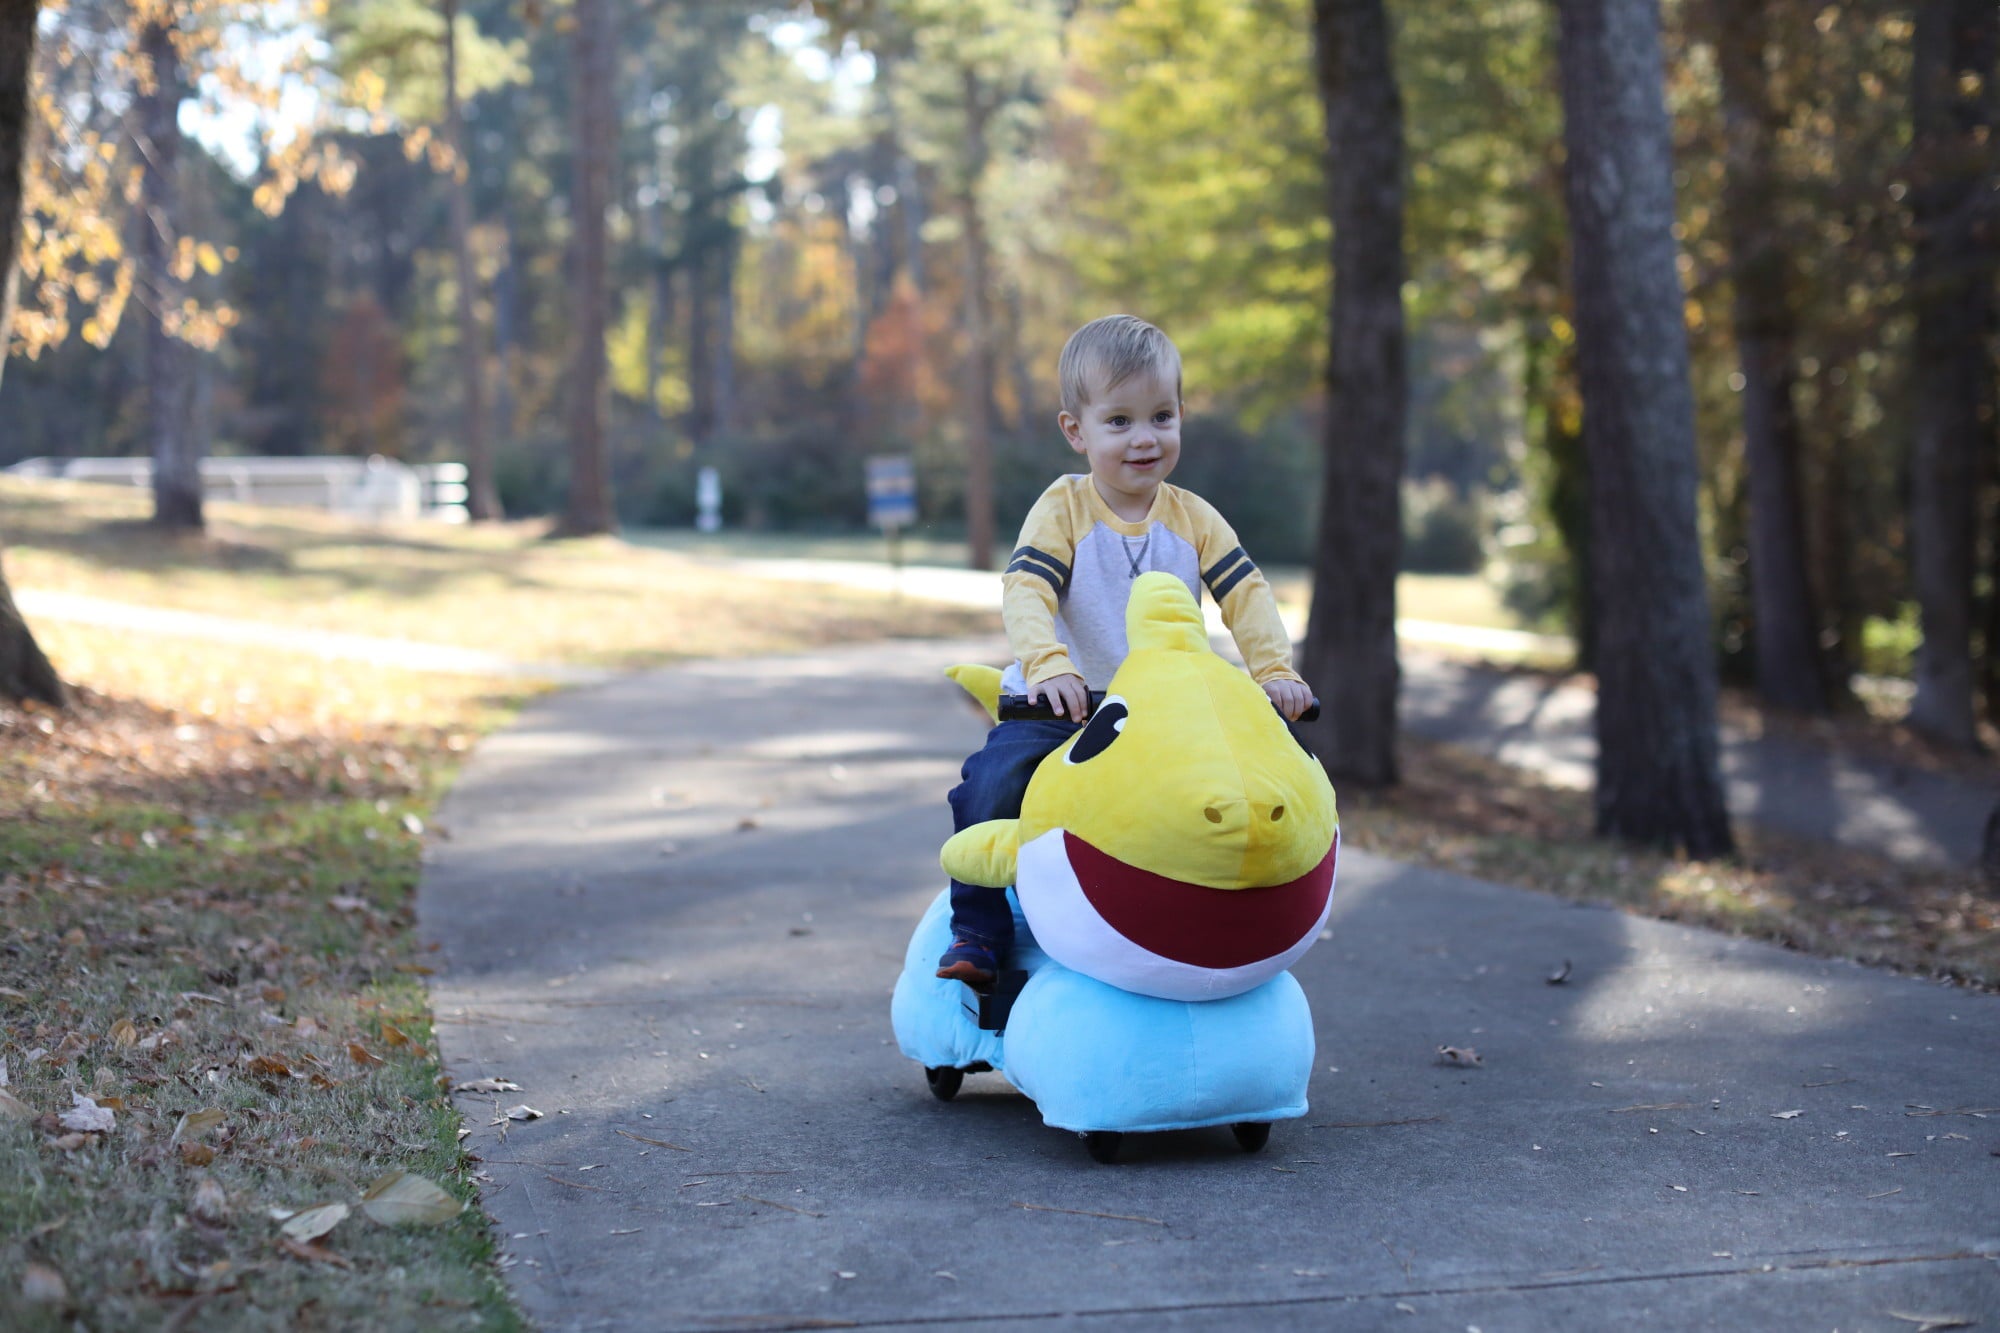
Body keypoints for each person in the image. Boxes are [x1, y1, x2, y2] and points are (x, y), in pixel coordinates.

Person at [936, 314, 1313, 988]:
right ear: (1076, 431)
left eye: (1161, 416)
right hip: (1063, 700)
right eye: (1120, 422)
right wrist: (1051, 664)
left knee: (1213, 796)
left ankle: (1190, 927)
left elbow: (1247, 594)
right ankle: (978, 933)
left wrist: (1274, 670)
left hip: (1159, 712)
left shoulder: (1195, 519)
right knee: (989, 785)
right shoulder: (1064, 509)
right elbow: (1027, 588)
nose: (1145, 438)